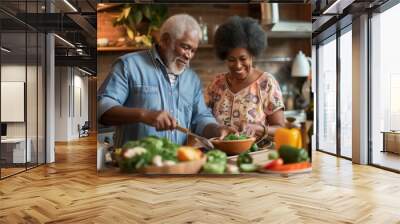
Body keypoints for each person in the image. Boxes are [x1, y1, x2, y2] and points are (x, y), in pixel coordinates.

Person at [98, 14, 234, 147]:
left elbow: (200, 118)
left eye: (193, 51)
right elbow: (101, 108)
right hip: (135, 164)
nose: (189, 56)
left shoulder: (192, 79)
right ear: (165, 40)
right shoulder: (129, 65)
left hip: (177, 164)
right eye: (186, 47)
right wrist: (143, 115)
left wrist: (217, 129)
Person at [205, 16, 285, 142]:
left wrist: (257, 128)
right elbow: (202, 119)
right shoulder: (217, 84)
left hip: (255, 155)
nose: (237, 65)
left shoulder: (266, 84)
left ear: (252, 55)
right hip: (220, 155)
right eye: (231, 60)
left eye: (243, 59)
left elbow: (281, 129)